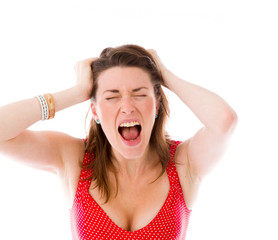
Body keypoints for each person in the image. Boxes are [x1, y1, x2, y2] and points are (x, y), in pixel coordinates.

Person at [0, 44, 237, 239]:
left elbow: (224, 121)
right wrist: (77, 92)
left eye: (140, 94)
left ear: (156, 105)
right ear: (95, 111)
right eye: (112, 97)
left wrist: (165, 75)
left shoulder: (184, 163)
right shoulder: (75, 159)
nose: (127, 107)